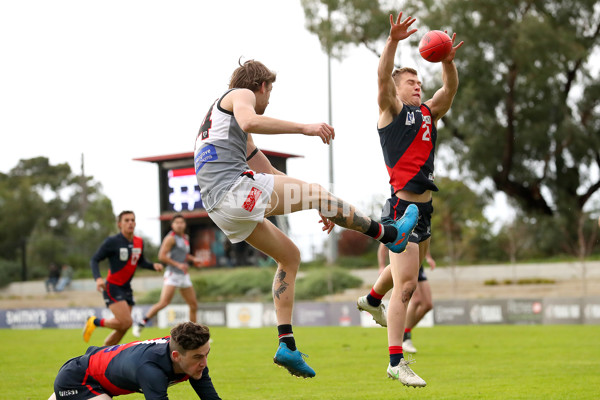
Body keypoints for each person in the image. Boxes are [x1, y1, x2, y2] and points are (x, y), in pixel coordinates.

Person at [193, 59, 419, 378]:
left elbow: (269, 174)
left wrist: (314, 204)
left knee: (290, 256)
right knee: (316, 191)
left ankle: (286, 344)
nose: (268, 99)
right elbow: (249, 120)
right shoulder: (239, 94)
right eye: (269, 92)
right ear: (261, 86)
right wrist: (305, 128)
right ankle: (389, 234)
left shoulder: (218, 120)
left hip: (220, 208)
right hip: (232, 190)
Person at [356, 12, 463, 388]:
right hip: (402, 207)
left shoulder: (429, 113)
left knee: (405, 274)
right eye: (410, 82)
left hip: (425, 209)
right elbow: (383, 76)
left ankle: (371, 299)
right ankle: (395, 360)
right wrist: (392, 42)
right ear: (398, 90)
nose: (417, 86)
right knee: (406, 286)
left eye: (419, 81)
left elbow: (448, 91)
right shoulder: (391, 111)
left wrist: (448, 62)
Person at [48, 321, 220, 400]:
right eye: (198, 357)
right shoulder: (151, 369)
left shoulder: (190, 358)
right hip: (78, 380)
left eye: (207, 354)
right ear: (176, 356)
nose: (204, 363)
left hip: (96, 372)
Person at [83, 210, 163, 346]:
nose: (130, 223)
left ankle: (103, 353)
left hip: (126, 287)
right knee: (126, 322)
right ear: (120, 224)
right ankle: (94, 321)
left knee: (123, 327)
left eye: (132, 220)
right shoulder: (112, 242)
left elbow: (140, 261)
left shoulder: (139, 242)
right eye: (127, 220)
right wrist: (98, 278)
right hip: (113, 287)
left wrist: (152, 266)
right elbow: (94, 259)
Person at [133, 214, 201, 338]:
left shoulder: (185, 238)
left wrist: (193, 258)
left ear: (185, 224)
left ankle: (194, 335)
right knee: (164, 303)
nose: (180, 225)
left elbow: (183, 255)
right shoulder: (170, 238)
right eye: (177, 223)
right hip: (173, 274)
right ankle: (141, 323)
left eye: (182, 222)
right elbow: (162, 256)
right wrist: (178, 265)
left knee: (193, 305)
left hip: (184, 275)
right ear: (172, 225)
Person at [373, 242, 436, 354]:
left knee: (427, 305)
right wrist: (381, 265)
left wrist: (428, 257)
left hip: (418, 262)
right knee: (416, 300)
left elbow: (425, 237)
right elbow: (383, 246)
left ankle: (404, 334)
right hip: (405, 261)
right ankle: (405, 338)